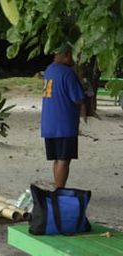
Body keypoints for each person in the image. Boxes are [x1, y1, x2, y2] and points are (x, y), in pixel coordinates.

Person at [41, 43, 86, 188]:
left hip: (49, 123)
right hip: (64, 124)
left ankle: (57, 187)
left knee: (57, 159)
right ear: (66, 55)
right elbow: (77, 98)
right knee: (64, 159)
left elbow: (49, 94)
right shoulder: (67, 73)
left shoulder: (49, 70)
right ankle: (59, 191)